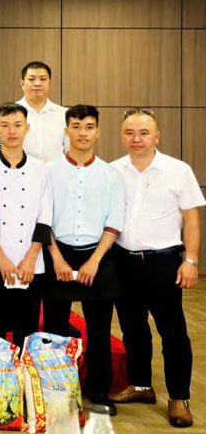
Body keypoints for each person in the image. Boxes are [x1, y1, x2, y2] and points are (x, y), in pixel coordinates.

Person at [108, 109, 200, 427]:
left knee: (172, 332)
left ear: (156, 136)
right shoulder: (113, 171)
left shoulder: (178, 171)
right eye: (130, 132)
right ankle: (141, 385)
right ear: (122, 135)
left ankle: (178, 398)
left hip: (164, 262)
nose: (136, 138)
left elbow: (191, 219)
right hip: (123, 261)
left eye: (143, 132)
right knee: (133, 329)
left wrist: (190, 261)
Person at [45, 104, 123, 415]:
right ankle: (53, 390)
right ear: (66, 131)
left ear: (98, 132)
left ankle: (99, 393)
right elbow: (43, 219)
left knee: (100, 330)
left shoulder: (110, 174)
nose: (82, 133)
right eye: (76, 126)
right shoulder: (48, 170)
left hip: (97, 256)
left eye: (89, 127)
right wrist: (57, 258)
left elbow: (114, 223)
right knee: (53, 330)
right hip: (58, 254)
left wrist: (94, 261)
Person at [0, 103, 52, 347]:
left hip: (31, 263)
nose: (12, 131)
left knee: (27, 328)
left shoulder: (41, 169)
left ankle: (23, 384)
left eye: (18, 125)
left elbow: (45, 218)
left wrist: (31, 258)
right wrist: (0, 257)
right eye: (5, 125)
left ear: (27, 128)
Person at [17, 61, 68, 163]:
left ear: (50, 83)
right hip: (19, 174)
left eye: (43, 79)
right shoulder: (8, 114)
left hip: (55, 176)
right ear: (22, 84)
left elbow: (70, 151)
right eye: (31, 79)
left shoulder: (64, 114)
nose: (37, 83)